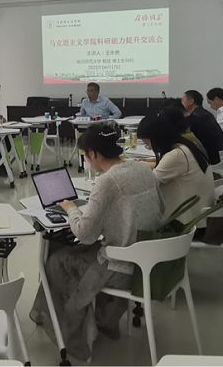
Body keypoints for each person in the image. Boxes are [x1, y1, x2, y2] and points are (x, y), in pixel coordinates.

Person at [30, 125, 164, 361]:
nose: (85, 159)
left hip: (120, 266)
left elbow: (85, 234)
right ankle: (101, 319)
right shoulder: (143, 169)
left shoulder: (107, 182)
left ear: (93, 154)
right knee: (75, 251)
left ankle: (68, 330)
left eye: (84, 155)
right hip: (149, 257)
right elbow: (160, 207)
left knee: (56, 260)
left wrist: (71, 209)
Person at [137, 116, 214, 225]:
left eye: (146, 143)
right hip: (200, 213)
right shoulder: (187, 145)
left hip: (189, 223)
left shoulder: (176, 155)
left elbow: (149, 183)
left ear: (156, 138)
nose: (149, 148)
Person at [181, 90, 223, 164]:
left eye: (182, 101)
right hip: (218, 156)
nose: (181, 103)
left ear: (191, 101)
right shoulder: (205, 114)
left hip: (211, 161)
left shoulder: (197, 118)